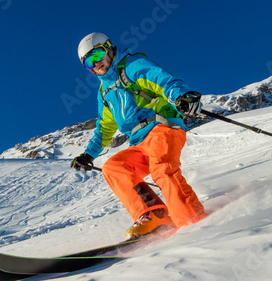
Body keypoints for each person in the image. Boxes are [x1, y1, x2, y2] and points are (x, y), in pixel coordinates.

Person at [71, 32, 207, 238]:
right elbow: (104, 127)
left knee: (162, 168)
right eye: (89, 62)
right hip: (139, 142)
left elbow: (162, 80)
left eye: (97, 55)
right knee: (114, 168)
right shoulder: (104, 92)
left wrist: (181, 96)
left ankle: (192, 220)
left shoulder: (131, 65)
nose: (96, 64)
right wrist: (89, 154)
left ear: (108, 48)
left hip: (162, 128)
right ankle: (155, 214)